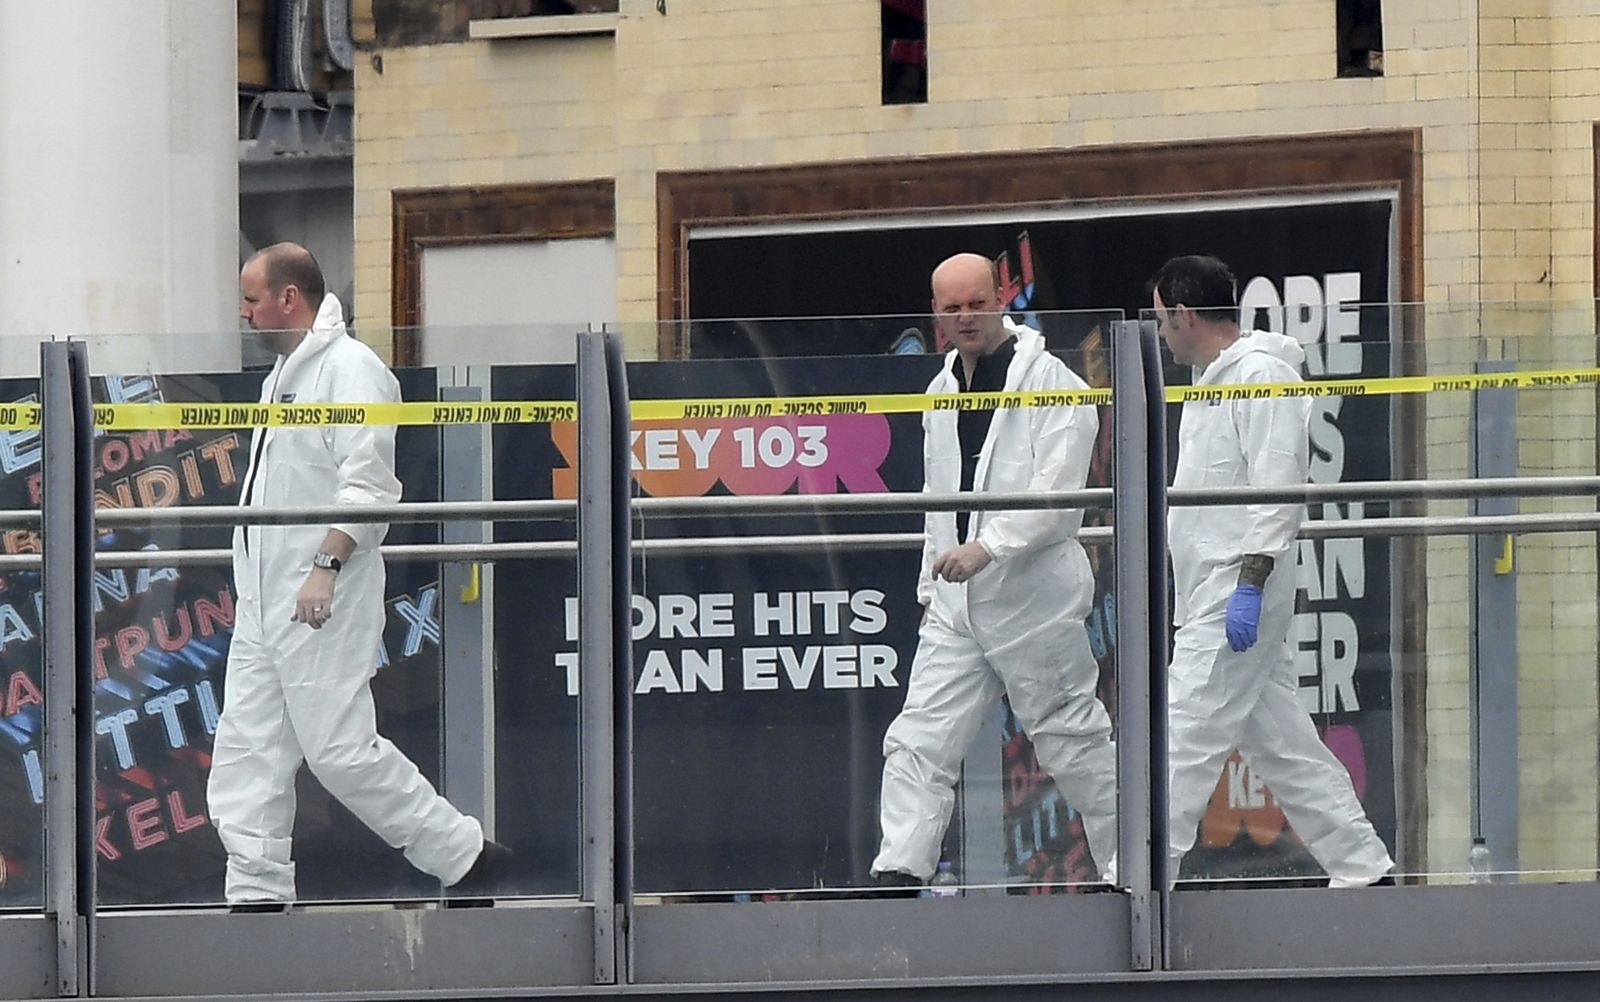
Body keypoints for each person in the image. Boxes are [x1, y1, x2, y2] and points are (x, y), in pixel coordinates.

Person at [207, 243, 510, 909]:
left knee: (339, 750)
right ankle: (256, 893)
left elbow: (369, 484)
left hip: (322, 595)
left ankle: (462, 855)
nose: (244, 313)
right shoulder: (283, 376)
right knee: (247, 747)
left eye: (253, 299)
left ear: (290, 298)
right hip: (266, 599)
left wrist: (325, 566)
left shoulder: (352, 371)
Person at [871, 252, 1119, 891]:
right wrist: (932, 587)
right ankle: (899, 870)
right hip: (956, 604)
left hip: (1031, 599)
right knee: (918, 739)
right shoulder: (941, 390)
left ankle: (1137, 869)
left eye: (976, 302)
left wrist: (989, 546)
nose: (966, 317)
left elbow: (1061, 495)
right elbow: (938, 496)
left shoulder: (1053, 384)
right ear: (935, 314)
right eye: (951, 307)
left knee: (1075, 745)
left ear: (1001, 298)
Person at [1152, 254, 1393, 888]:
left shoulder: (1261, 378)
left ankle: (1140, 879)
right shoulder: (1214, 382)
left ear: (1183, 314)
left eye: (1161, 319)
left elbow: (1278, 487)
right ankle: (1365, 870)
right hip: (1217, 586)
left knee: (1182, 734)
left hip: (1236, 588)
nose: (1160, 332)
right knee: (1286, 750)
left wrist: (1251, 585)